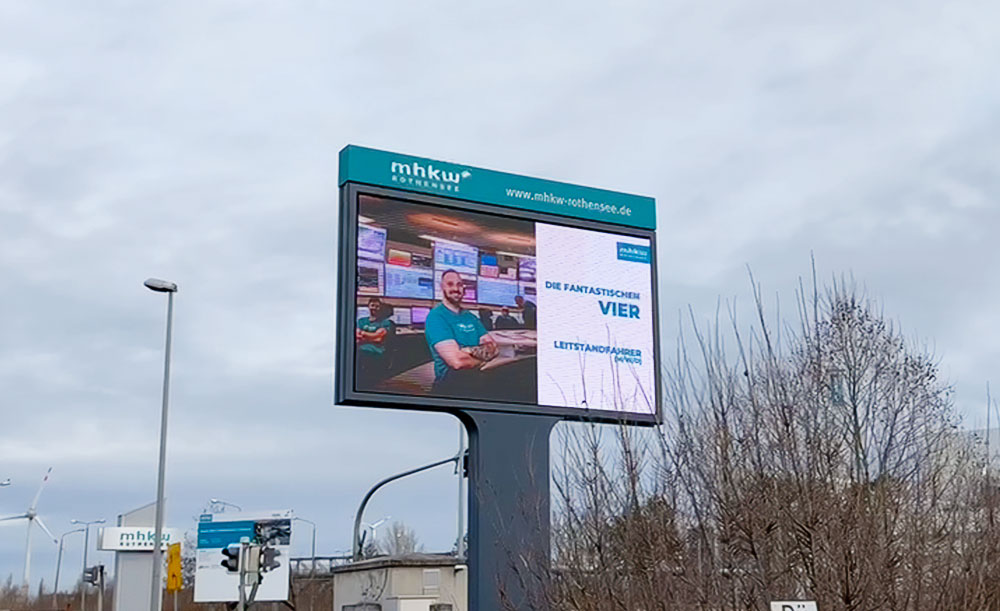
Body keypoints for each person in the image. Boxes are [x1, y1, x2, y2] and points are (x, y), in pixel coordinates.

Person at [425, 270, 499, 395]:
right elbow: (457, 362)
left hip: (475, 381)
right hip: (450, 387)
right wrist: (484, 358)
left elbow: (494, 349)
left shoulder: (470, 317)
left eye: (459, 284)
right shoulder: (436, 317)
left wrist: (467, 351)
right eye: (450, 284)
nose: (456, 288)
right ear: (442, 287)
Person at [356, 297, 395, 387]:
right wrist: (372, 337)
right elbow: (357, 336)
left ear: (380, 308)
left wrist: (363, 334)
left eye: (377, 306)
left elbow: (379, 338)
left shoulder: (386, 322)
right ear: (368, 306)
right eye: (372, 305)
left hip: (376, 352)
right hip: (361, 351)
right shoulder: (361, 320)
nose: (374, 308)